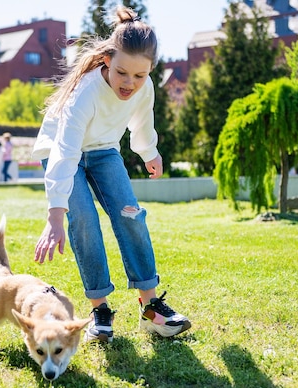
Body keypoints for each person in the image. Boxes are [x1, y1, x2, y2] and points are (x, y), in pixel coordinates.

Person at [32, 6, 191, 343]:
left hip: (103, 150)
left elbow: (141, 123)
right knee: (85, 220)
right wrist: (56, 213)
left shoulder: (144, 88)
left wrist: (150, 152)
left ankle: (151, 309)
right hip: (61, 150)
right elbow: (66, 150)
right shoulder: (86, 92)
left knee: (131, 215)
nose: (130, 84)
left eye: (139, 76)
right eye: (122, 73)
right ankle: (100, 311)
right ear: (107, 60)